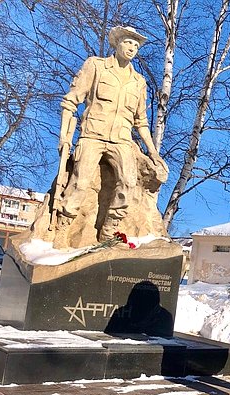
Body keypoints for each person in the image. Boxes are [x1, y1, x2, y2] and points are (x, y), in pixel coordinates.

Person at [56, 26, 162, 242]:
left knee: (129, 183)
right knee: (80, 182)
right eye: (128, 42)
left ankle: (110, 229)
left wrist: (153, 152)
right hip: (93, 134)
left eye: (136, 44)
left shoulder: (138, 82)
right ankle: (62, 228)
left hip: (122, 140)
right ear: (117, 43)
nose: (132, 47)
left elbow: (140, 121)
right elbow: (71, 101)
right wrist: (64, 136)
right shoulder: (96, 66)